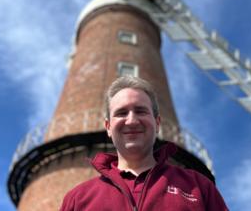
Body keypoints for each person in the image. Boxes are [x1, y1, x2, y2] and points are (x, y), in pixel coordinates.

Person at [60, 76, 228, 211]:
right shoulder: (77, 199)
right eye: (121, 113)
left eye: (141, 111)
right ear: (108, 127)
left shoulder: (198, 186)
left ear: (157, 123)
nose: (132, 120)